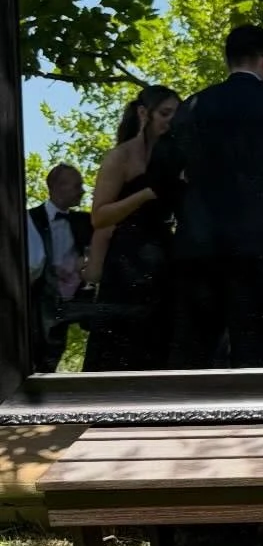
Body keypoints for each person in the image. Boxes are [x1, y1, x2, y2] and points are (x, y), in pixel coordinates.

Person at [155, 24, 263, 369]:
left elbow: (159, 170)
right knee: (258, 351)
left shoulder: (195, 106)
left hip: (200, 245)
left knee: (193, 352)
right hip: (262, 243)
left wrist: (186, 209)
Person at [81, 87, 182, 373]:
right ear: (143, 113)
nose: (171, 121)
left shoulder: (176, 157)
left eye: (177, 115)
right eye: (165, 113)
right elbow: (99, 217)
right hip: (126, 260)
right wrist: (146, 194)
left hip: (165, 257)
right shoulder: (119, 157)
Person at [27, 162, 93, 373]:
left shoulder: (85, 221)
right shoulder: (28, 219)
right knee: (39, 359)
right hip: (41, 303)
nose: (83, 191)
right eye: (77, 185)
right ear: (57, 187)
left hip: (75, 300)